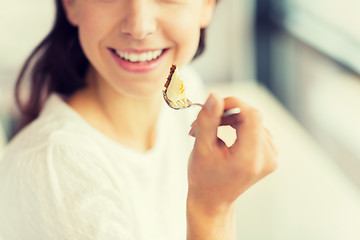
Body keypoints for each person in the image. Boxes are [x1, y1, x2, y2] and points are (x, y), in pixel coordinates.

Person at [0, 0, 277, 239]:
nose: (139, 26)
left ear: (207, 5)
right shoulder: (55, 172)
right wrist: (213, 210)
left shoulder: (185, 88)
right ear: (70, 4)